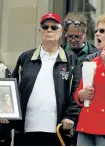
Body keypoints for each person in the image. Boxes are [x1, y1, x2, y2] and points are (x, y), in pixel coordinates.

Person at [11, 12, 81, 146]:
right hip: (27, 129)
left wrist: (70, 116)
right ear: (40, 31)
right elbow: (12, 89)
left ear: (61, 32)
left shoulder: (71, 59)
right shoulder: (25, 58)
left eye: (54, 27)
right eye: (45, 27)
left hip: (58, 130)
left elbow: (76, 91)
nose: (49, 30)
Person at [74, 13, 105, 146]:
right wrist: (81, 95)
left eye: (102, 31)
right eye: (96, 30)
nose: (97, 34)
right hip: (86, 128)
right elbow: (79, 92)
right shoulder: (93, 61)